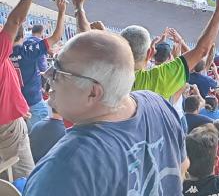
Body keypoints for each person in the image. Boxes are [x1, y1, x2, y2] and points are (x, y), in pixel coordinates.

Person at [25, 30, 187, 195]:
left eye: (58, 71)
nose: (47, 74)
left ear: (93, 92)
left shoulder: (62, 172)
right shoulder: (159, 104)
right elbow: (183, 166)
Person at [119, 0, 219, 99]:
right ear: (150, 53)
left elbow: (201, 51)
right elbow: (201, 51)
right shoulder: (157, 78)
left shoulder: (105, 70)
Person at [0, 0, 41, 178]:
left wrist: (17, 107)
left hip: (8, 121)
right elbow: (15, 20)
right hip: (6, 128)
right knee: (26, 176)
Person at [12, 0, 67, 130]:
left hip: (13, 105)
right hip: (33, 103)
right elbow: (56, 36)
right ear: (22, 35)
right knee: (38, 137)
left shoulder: (4, 53)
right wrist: (61, 11)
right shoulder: (28, 51)